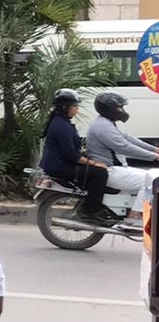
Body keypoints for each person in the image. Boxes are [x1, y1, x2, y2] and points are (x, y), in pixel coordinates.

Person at [39, 88, 114, 222]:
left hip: (60, 163)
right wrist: (94, 163)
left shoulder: (61, 122)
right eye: (74, 106)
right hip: (60, 166)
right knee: (100, 173)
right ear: (64, 107)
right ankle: (90, 211)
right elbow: (72, 155)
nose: (77, 109)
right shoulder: (61, 126)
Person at [85, 91, 156, 206]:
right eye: (120, 107)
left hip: (118, 169)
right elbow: (125, 147)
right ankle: (134, 216)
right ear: (110, 108)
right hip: (112, 171)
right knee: (154, 182)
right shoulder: (103, 127)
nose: (123, 110)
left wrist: (154, 150)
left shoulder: (105, 123)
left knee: (150, 177)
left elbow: (128, 138)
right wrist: (154, 156)